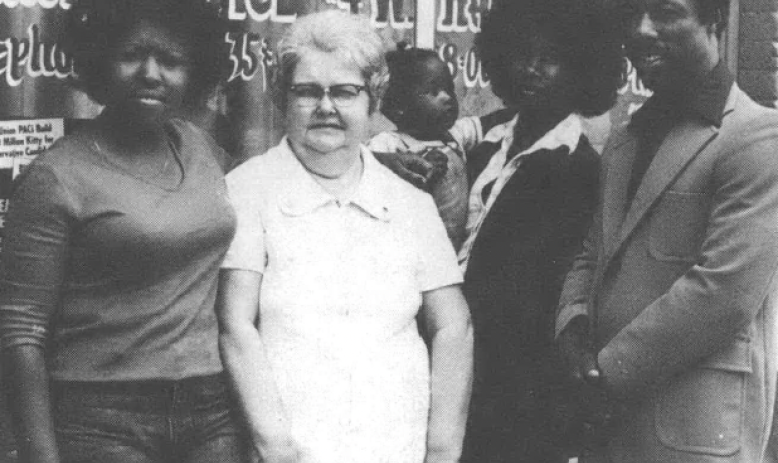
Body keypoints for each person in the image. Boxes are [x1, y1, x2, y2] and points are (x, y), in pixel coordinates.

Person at [217, 9, 473, 463]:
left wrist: (442, 449)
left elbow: (454, 326)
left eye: (345, 92)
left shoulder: (410, 203)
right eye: (307, 92)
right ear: (281, 98)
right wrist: (275, 447)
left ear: (373, 100)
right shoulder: (248, 188)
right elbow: (236, 326)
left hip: (397, 449)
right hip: (290, 451)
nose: (326, 107)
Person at [0, 1, 246, 462]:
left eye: (171, 61)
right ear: (98, 61)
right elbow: (20, 331)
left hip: (211, 410)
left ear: (194, 72)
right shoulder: (56, 176)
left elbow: (270, 188)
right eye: (131, 55)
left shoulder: (200, 147)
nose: (151, 73)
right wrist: (40, 456)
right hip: (101, 419)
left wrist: (385, 165)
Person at [556, 0, 778, 460]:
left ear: (713, 19)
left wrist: (605, 375)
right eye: (631, 14)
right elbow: (593, 251)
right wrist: (572, 327)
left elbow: (724, 294)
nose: (640, 30)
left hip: (690, 428)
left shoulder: (758, 137)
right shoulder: (626, 138)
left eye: (665, 12)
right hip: (608, 426)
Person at [457, 0, 624, 462]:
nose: (532, 69)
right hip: (460, 360)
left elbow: (541, 291)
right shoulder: (484, 144)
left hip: (518, 382)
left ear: (581, 70)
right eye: (522, 54)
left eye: (550, 58)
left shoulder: (580, 170)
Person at [368, 45, 514, 249]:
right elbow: (363, 168)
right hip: (414, 250)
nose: (447, 97)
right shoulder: (390, 143)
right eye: (434, 91)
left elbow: (490, 122)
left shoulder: (455, 135)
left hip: (454, 251)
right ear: (400, 108)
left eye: (449, 88)